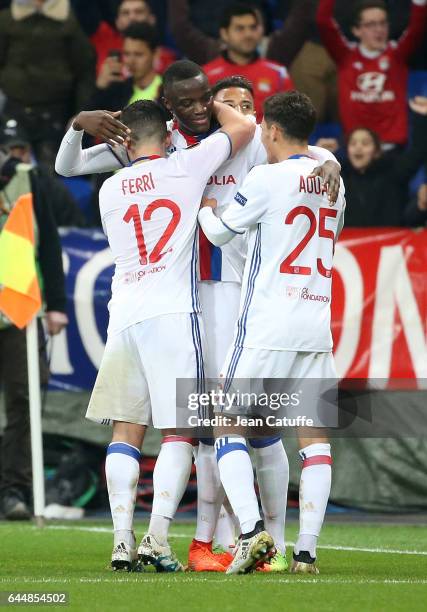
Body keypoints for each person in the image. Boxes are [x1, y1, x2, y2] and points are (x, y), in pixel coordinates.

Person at [55, 60, 341, 573]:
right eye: (199, 101)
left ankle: (263, 539)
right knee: (199, 425)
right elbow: (71, 167)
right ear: (170, 106)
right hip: (188, 301)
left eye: (236, 104)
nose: (224, 111)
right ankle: (206, 540)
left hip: (235, 294)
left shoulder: (248, 141)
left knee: (253, 424)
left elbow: (309, 156)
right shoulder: (170, 147)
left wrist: (334, 163)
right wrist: (82, 125)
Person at [83, 98, 255, 572]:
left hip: (124, 316)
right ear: (168, 129)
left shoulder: (109, 189)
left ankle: (121, 539)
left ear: (125, 139)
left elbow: (68, 165)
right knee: (179, 430)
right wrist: (206, 105)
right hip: (172, 314)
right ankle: (157, 537)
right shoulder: (185, 166)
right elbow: (240, 125)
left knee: (126, 429)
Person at [198, 90, 346, 574]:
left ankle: (249, 533)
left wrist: (203, 208)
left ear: (274, 130)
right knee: (315, 437)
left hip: (267, 323)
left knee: (227, 419)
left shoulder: (264, 177)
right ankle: (305, 550)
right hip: (316, 321)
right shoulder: (333, 184)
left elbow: (220, 233)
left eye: (263, 128)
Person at [0, 152, 68, 520]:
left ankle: (15, 489)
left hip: (16, 310)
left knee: (25, 400)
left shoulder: (27, 178)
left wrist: (56, 303)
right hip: (15, 306)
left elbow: (49, 244)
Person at [0, 0, 95, 170]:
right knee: (11, 174)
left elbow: (85, 69)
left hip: (54, 114)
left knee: (50, 177)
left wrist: (79, 112)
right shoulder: (7, 19)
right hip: (13, 110)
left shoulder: (68, 20)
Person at [317, 0, 427, 147]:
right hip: (356, 150)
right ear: (356, 30)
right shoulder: (345, 56)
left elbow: (416, 28)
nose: (379, 30)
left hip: (392, 149)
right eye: (371, 24)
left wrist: (419, 3)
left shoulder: (397, 55)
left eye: (383, 23)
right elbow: (323, 21)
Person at [340, 97, 427, 227]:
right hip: (346, 246)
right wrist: (318, 153)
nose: (358, 147)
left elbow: (418, 151)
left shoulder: (394, 171)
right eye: (353, 143)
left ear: (376, 152)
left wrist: (421, 117)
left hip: (390, 245)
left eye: (365, 143)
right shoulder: (339, 179)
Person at [202, 3, 294, 117]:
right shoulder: (206, 76)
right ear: (224, 33)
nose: (248, 34)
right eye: (240, 28)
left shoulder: (279, 73)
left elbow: (291, 121)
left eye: (253, 27)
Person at [79, 0, 177, 76]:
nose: (132, 17)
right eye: (125, 13)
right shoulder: (104, 38)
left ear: (152, 19)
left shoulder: (166, 58)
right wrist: (101, 88)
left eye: (139, 12)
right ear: (117, 22)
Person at [90, 22, 162, 112]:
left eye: (138, 54)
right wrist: (100, 88)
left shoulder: (167, 90)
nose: (131, 61)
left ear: (155, 54)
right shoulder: (118, 91)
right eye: (127, 54)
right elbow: (85, 120)